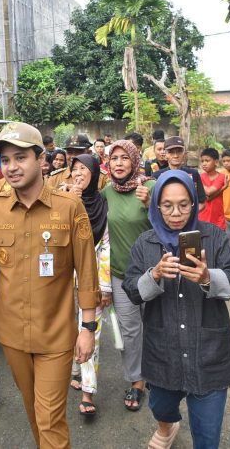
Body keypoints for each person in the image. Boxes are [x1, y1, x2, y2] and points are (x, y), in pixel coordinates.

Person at [0, 122, 99, 449]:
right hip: (11, 335)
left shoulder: (69, 208)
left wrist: (88, 327)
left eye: (20, 157)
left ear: (40, 158)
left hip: (56, 334)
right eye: (6, 159)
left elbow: (87, 270)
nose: (11, 167)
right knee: (34, 411)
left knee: (49, 418)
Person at [123, 170, 230, 449]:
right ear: (156, 206)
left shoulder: (214, 237)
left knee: (207, 437)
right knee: (160, 406)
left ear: (194, 204)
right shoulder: (146, 243)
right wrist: (153, 276)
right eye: (167, 205)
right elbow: (131, 289)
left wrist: (208, 277)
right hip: (163, 351)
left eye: (183, 204)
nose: (176, 213)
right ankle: (168, 426)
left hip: (209, 353)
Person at [101, 139, 155, 412]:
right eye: (114, 158)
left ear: (135, 161)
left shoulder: (151, 189)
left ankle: (160, 371)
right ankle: (136, 381)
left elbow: (173, 223)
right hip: (121, 277)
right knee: (130, 331)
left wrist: (151, 207)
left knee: (157, 325)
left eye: (124, 158)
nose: (119, 163)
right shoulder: (106, 193)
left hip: (155, 275)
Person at [67, 155, 112, 417]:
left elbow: (105, 246)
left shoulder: (102, 204)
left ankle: (87, 391)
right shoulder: (61, 199)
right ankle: (75, 367)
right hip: (62, 280)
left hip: (91, 279)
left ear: (94, 174)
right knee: (68, 329)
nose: (79, 173)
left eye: (84, 169)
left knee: (90, 331)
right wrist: (71, 201)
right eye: (75, 169)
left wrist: (104, 286)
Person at [152, 136, 207, 210]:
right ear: (166, 154)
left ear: (184, 153)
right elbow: (153, 203)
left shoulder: (193, 174)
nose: (176, 155)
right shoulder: (157, 176)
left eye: (179, 151)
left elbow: (202, 202)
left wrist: (189, 215)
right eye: (171, 152)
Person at [198, 148, 228, 230]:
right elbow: (207, 196)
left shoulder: (221, 177)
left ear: (216, 162)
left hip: (218, 220)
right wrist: (223, 188)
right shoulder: (200, 177)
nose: (204, 164)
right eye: (202, 161)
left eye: (207, 161)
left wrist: (200, 185)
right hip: (202, 218)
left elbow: (208, 192)